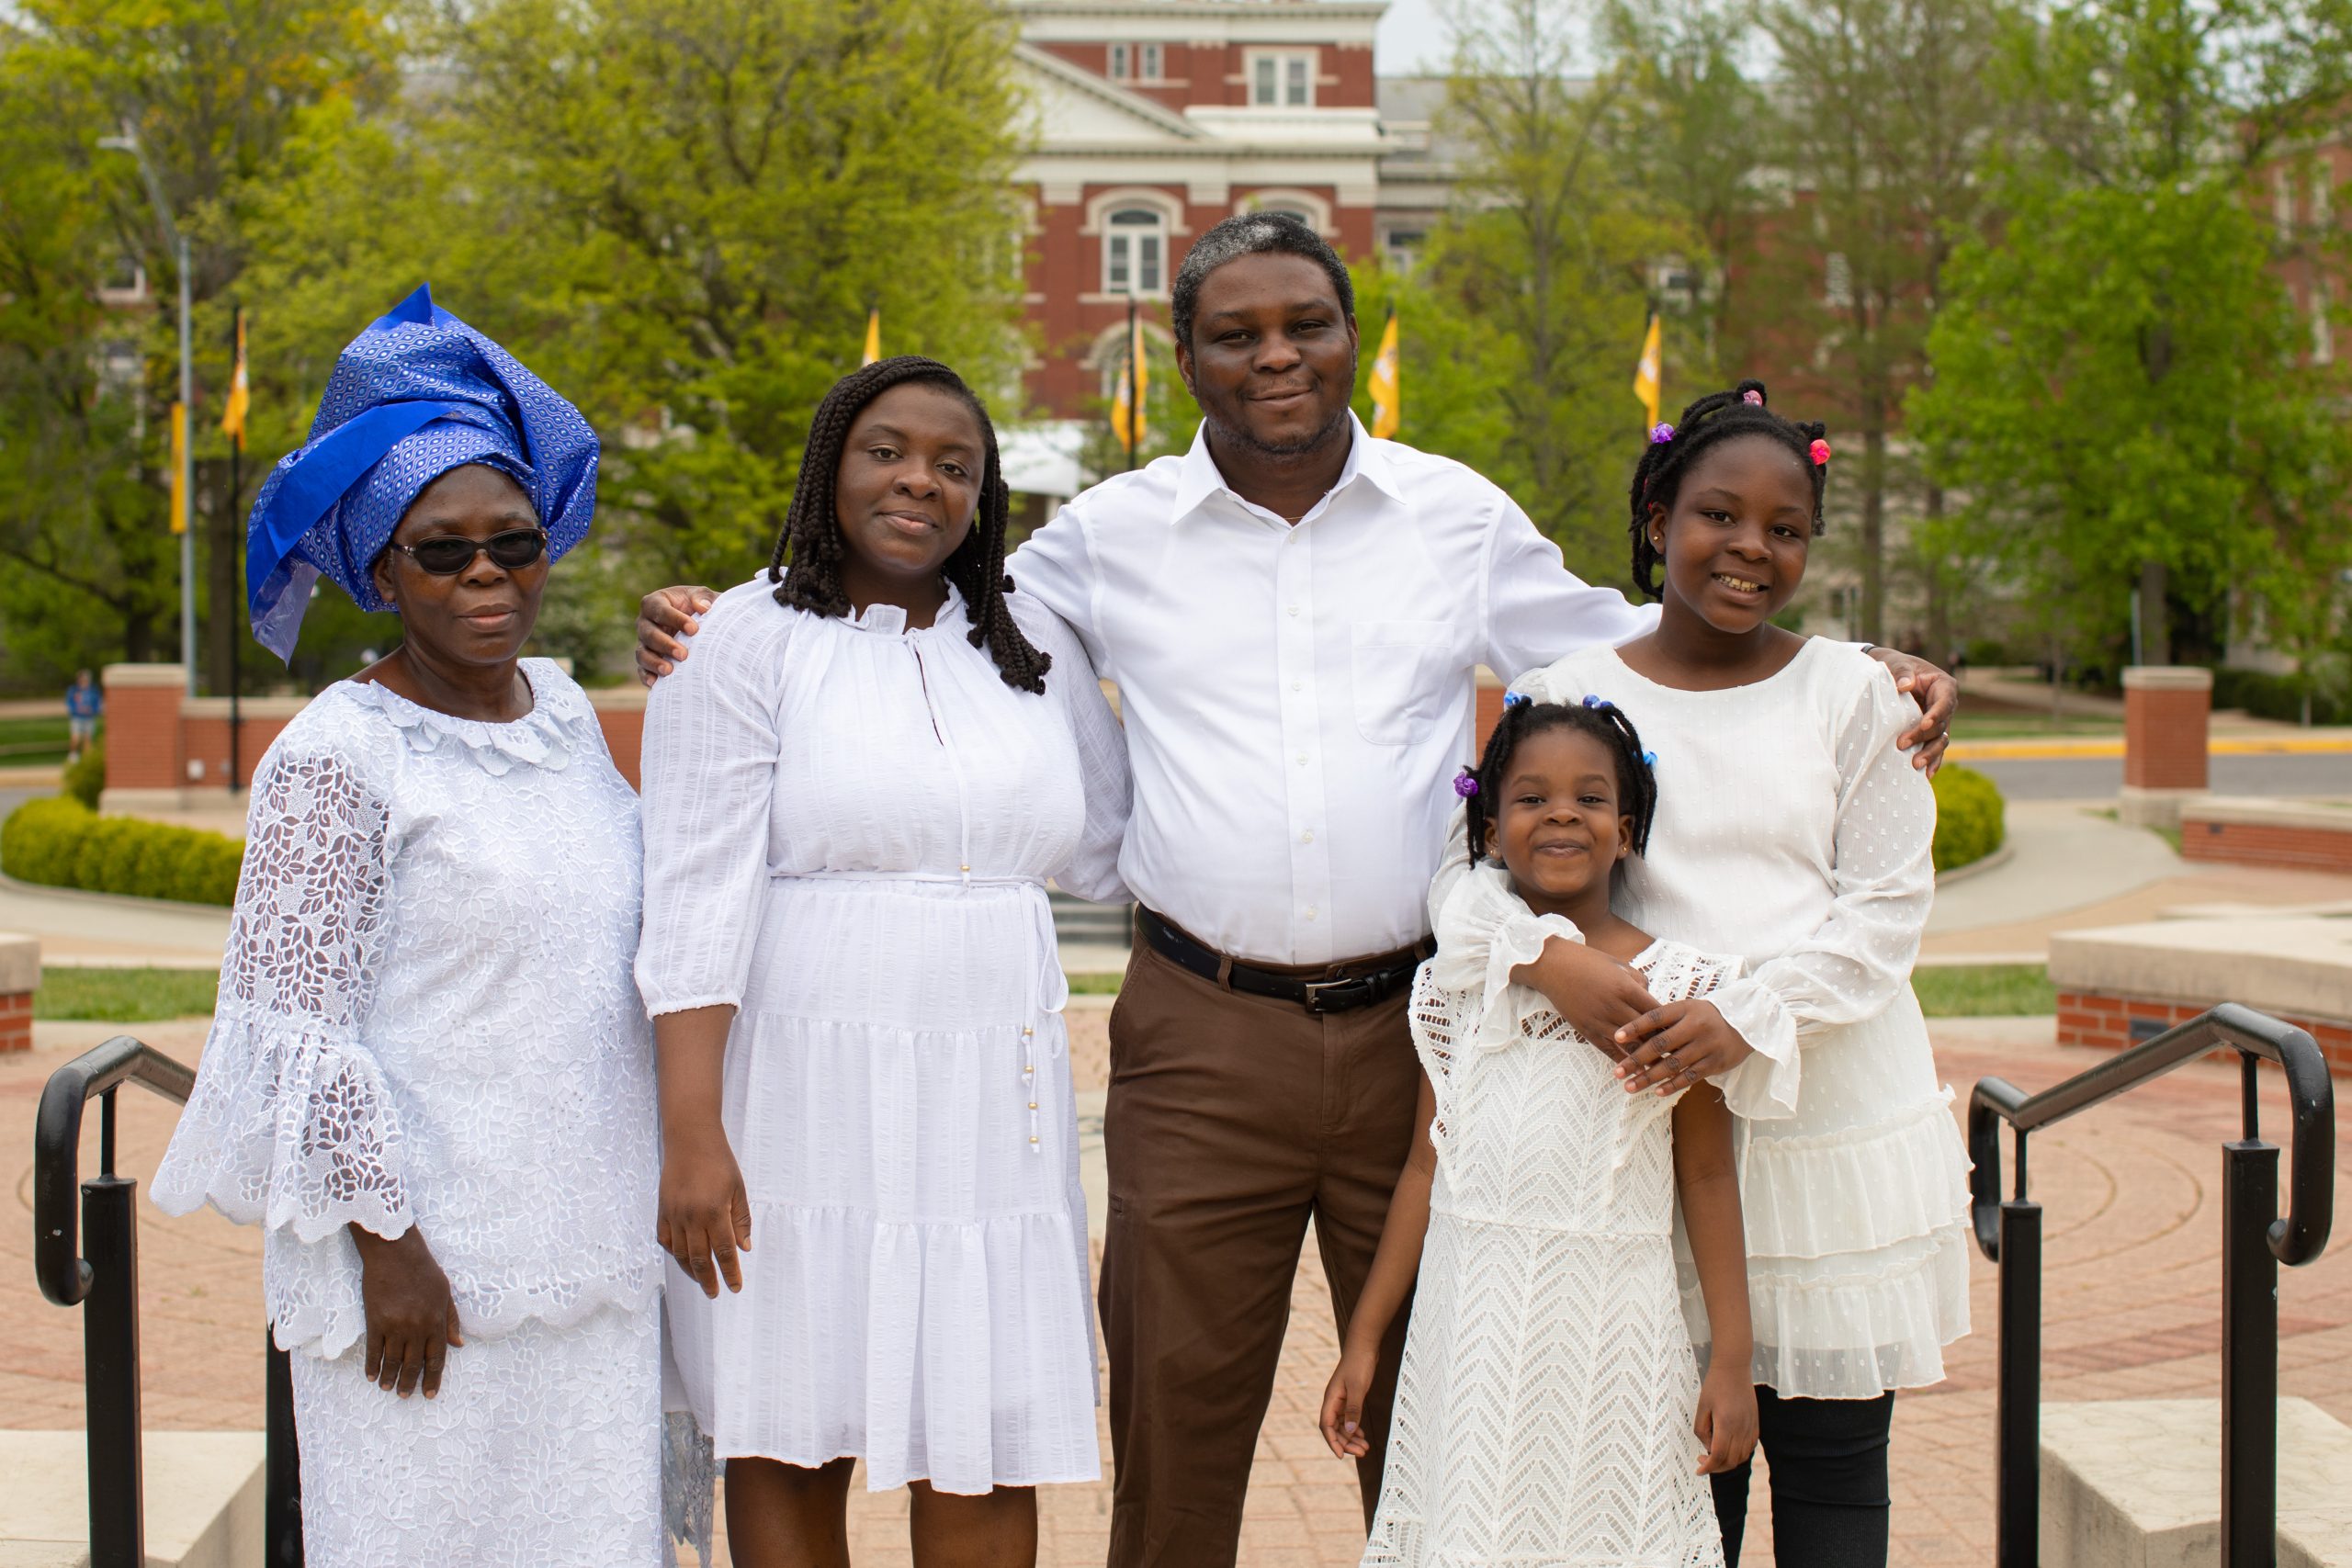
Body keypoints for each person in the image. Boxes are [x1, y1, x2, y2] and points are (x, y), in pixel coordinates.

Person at [633, 215, 1959, 1568]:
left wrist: (1856, 671)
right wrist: (728, 611)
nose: (1277, 355)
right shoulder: (1106, 535)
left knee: (1448, 1409)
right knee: (1178, 1422)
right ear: (1188, 354)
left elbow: (1638, 642)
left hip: (1427, 1038)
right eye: (1236, 333)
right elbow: (915, 579)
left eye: (1305, 325)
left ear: (1345, 335)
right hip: (1203, 1032)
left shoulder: (1454, 514)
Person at [152, 287, 671, 1567]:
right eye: (444, 550)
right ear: (383, 568)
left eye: (515, 541)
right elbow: (291, 1025)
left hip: (590, 1242)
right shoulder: (335, 756)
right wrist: (388, 1247)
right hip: (427, 1264)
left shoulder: (559, 713)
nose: (487, 572)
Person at [1432, 382, 1973, 1567]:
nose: (1750, 549)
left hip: (1827, 1125)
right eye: (1718, 516)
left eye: (1785, 530)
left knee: (1836, 1486)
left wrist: (1745, 1014)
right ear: (1658, 515)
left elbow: (1885, 916)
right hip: (1647, 1146)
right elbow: (1468, 877)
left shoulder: (1857, 697)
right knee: (1677, 1489)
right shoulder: (1570, 688)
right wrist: (1549, 959)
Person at [637, 355, 1130, 1568]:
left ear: (985, 493)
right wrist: (692, 1130)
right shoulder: (740, 638)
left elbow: (1115, 848)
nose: (921, 480)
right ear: (829, 469)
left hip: (992, 1100)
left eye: (954, 464)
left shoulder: (1027, 652)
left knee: (985, 1419)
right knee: (788, 1426)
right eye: (888, 451)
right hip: (799, 1090)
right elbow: (690, 896)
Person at [1322, 696, 1757, 1567]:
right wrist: (1365, 1337)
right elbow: (1423, 1166)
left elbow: (1708, 1180)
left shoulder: (1678, 984)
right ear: (1488, 832)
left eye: (1590, 798)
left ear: (1628, 831)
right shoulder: (1458, 983)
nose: (1562, 812)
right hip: (1468, 1330)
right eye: (1532, 798)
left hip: (1612, 1333)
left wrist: (1733, 1361)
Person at [63, 669, 100, 761]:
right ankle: (73, 756)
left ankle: (87, 759)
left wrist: (91, 710)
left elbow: (97, 704)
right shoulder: (73, 690)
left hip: (89, 718)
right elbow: (70, 704)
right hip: (77, 718)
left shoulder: (93, 691)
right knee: (76, 738)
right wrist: (77, 710)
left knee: (88, 739)